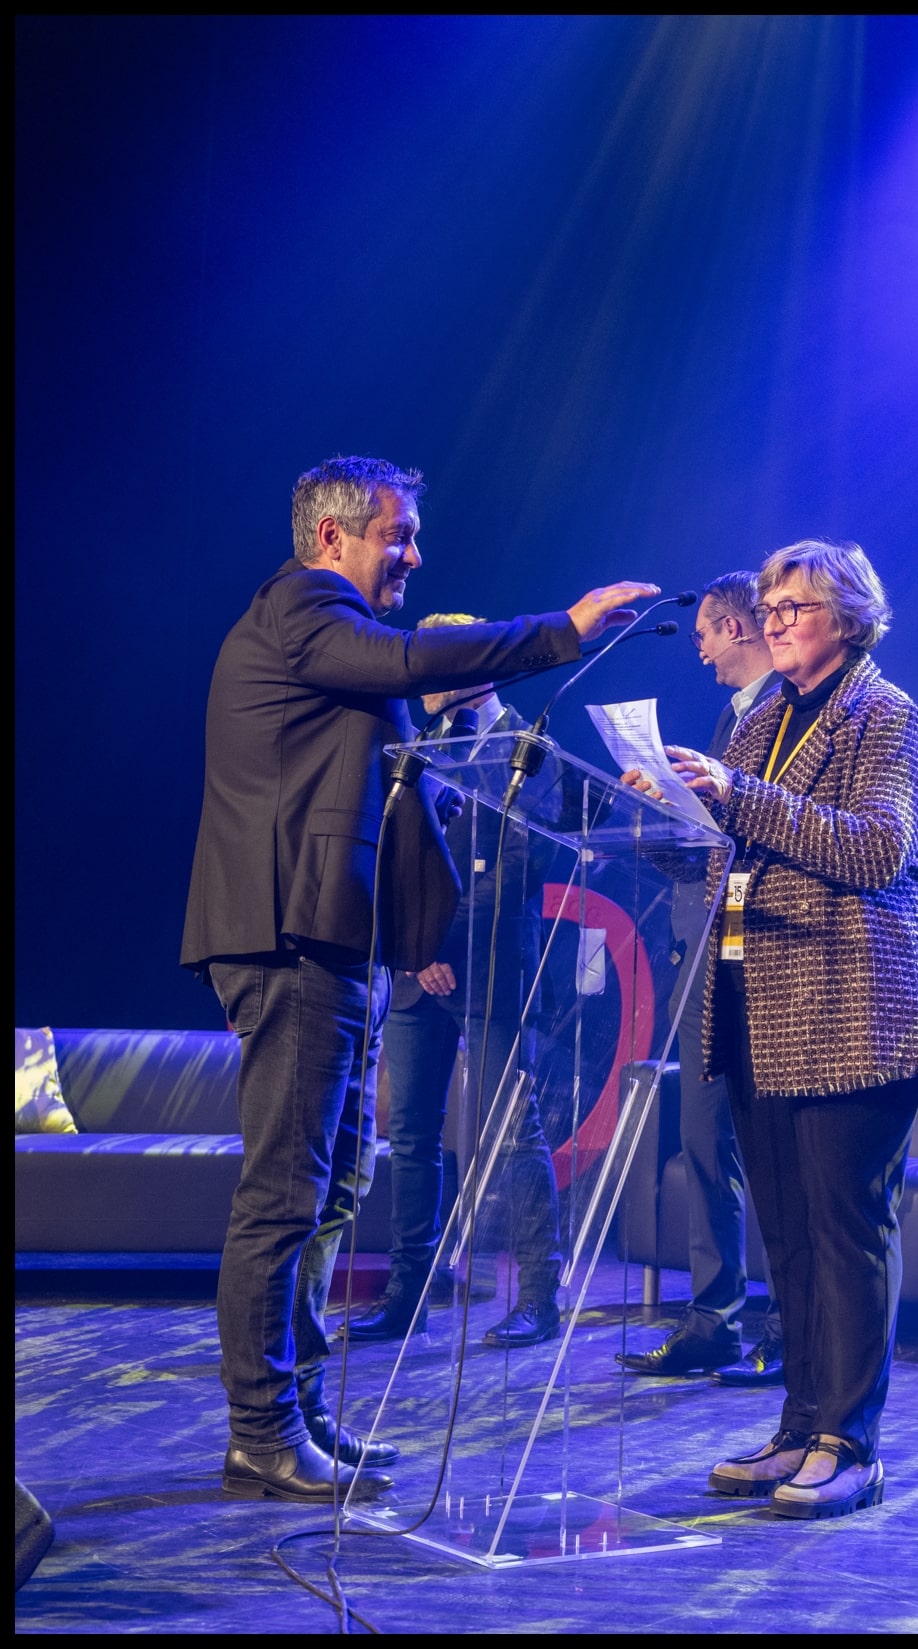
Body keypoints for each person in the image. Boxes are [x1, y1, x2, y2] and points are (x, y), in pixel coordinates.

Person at [180, 453, 658, 1504]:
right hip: (290, 939)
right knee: (285, 1194)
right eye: (396, 534)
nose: (413, 553)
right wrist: (563, 630)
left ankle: (296, 1409)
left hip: (335, 944)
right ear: (332, 537)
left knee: (327, 1189)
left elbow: (372, 789)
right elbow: (410, 662)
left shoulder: (323, 639)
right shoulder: (303, 607)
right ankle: (262, 1430)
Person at [622, 538, 918, 1519]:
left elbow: (879, 847)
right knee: (788, 1235)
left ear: (848, 616)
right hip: (757, 1002)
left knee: (845, 1229)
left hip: (855, 1004)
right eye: (766, 608)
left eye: (792, 607)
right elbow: (724, 854)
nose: (773, 623)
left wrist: (737, 796)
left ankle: (851, 1444)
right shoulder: (762, 719)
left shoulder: (887, 716)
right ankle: (801, 1424)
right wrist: (669, 814)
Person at [345, 613, 564, 1351]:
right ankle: (409, 1292)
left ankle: (539, 1296)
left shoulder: (530, 748)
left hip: (488, 968)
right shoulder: (420, 747)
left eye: (441, 665)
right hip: (417, 972)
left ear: (475, 671)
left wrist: (439, 941)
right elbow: (395, 857)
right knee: (411, 1133)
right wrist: (414, 949)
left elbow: (519, 869)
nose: (425, 680)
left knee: (511, 1129)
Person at [616, 572, 784, 1382]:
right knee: (703, 1138)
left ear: (734, 626)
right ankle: (713, 1317)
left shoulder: (791, 707)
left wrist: (703, 802)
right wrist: (658, 810)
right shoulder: (730, 718)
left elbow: (779, 828)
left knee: (775, 1147)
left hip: (770, 949)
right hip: (708, 944)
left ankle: (789, 1327)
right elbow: (709, 849)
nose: (702, 654)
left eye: (705, 636)